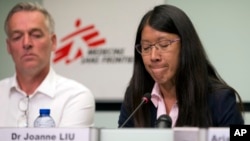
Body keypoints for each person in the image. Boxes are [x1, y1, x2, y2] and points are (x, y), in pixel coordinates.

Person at [118, 4, 244, 127]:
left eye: (163, 44)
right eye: (146, 47)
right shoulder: (136, 98)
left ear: (186, 46)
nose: (153, 56)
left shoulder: (220, 100)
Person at [0, 2, 95, 128]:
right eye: (17, 37)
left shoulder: (75, 96)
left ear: (53, 42)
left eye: (36, 35)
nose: (26, 43)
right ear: (8, 46)